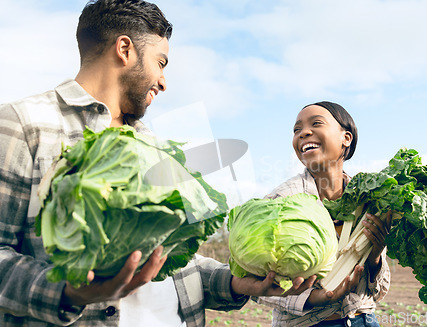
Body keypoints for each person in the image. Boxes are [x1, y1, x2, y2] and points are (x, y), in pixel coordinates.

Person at [0, 1, 316, 326]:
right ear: (125, 49)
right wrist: (69, 293)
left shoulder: (153, 145)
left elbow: (168, 259)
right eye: (160, 62)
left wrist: (235, 282)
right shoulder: (21, 124)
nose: (164, 82)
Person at [256, 101, 392, 327]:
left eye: (316, 123)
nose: (303, 133)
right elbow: (257, 283)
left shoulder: (368, 200)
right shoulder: (280, 202)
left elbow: (379, 290)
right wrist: (314, 298)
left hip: (363, 320)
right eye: (296, 129)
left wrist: (376, 257)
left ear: (346, 138)